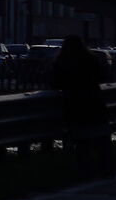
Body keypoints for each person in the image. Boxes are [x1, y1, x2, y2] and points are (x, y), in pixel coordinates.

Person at [47, 35, 112, 181]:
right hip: (95, 104)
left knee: (82, 141)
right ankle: (105, 169)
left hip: (75, 106)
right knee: (101, 139)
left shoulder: (62, 62)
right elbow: (103, 76)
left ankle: (85, 171)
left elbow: (55, 82)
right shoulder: (92, 60)